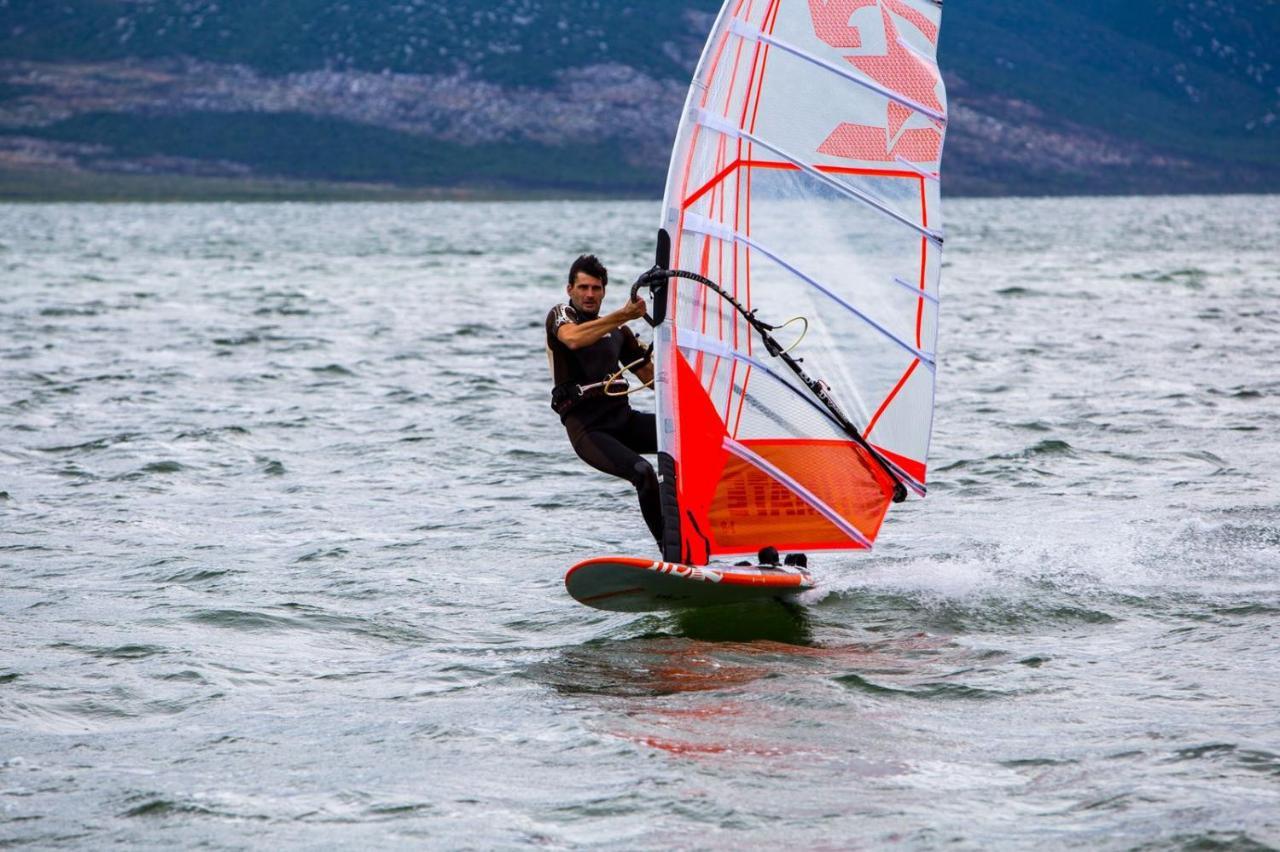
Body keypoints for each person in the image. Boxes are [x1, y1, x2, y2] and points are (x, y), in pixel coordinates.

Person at [546, 254, 663, 547]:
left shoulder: (618, 333)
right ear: (570, 289)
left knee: (689, 439)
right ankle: (670, 549)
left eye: (596, 288)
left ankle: (703, 528)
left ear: (604, 292)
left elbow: (653, 380)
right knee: (643, 472)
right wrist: (624, 314)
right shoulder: (561, 316)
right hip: (589, 429)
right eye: (583, 287)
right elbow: (573, 339)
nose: (589, 294)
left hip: (623, 420)